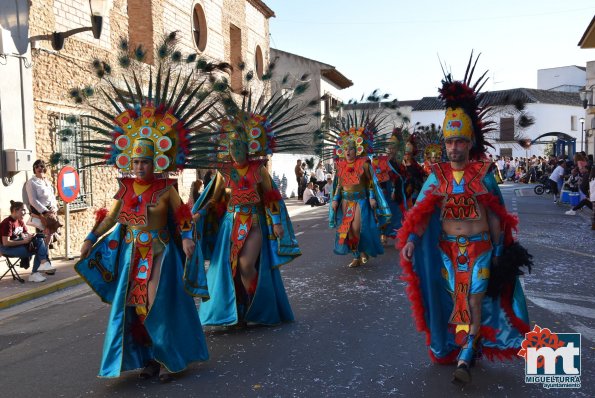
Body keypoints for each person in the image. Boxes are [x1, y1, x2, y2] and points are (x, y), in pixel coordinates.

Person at [72, 35, 224, 380]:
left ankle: (170, 356)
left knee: (157, 303)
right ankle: (151, 358)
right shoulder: (125, 188)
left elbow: (183, 217)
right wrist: (89, 238)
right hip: (130, 253)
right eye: (136, 161)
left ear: (156, 161)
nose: (140, 167)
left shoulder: (166, 189)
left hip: (159, 252)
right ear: (129, 160)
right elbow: (111, 217)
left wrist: (186, 239)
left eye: (145, 162)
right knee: (136, 309)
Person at [397, 54, 532, 385]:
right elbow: (421, 212)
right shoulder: (436, 176)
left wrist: (501, 252)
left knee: (472, 300)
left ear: (471, 143)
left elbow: (497, 216)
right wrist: (412, 240)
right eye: (449, 141)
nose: (454, 147)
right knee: (456, 303)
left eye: (460, 141)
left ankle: (467, 354)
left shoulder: (484, 173)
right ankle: (467, 345)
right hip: (446, 251)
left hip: (480, 250)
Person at [192, 71, 316, 327]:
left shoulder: (258, 170)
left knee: (247, 264)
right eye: (232, 146)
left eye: (240, 146)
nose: (235, 151)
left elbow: (271, 197)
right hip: (230, 223)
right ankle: (234, 313)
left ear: (248, 147)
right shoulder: (223, 172)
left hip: (255, 223)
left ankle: (255, 307)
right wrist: (198, 214)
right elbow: (213, 200)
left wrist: (276, 221)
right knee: (228, 270)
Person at [326, 106, 392, 268]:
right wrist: (335, 200)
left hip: (360, 201)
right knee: (347, 230)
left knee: (358, 228)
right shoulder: (340, 166)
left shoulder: (365, 164)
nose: (348, 152)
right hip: (346, 201)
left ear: (357, 150)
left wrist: (371, 197)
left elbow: (371, 182)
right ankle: (355, 255)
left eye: (351, 149)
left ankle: (363, 251)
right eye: (345, 149)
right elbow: (339, 185)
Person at [0, 200, 52, 282]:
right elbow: (6, 243)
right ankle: (39, 268)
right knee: (39, 248)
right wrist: (23, 242)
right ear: (15, 210)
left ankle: (40, 267)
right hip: (6, 249)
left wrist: (31, 236)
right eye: (23, 210)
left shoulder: (20, 221)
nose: (25, 212)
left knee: (40, 240)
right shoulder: (7, 223)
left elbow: (25, 234)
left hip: (19, 246)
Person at [25, 159, 62, 251]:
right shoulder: (31, 182)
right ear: (34, 169)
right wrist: (45, 211)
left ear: (44, 168)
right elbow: (32, 200)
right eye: (37, 166)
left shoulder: (47, 182)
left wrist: (54, 208)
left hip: (51, 213)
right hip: (41, 214)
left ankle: (46, 260)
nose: (39, 168)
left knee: (51, 237)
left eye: (41, 166)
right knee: (43, 238)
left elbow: (52, 197)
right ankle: (43, 261)